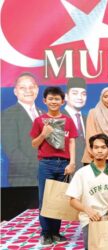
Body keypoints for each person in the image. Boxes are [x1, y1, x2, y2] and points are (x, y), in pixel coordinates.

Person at [30, 87, 77, 246]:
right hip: (46, 164)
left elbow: (71, 141)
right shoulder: (39, 121)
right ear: (45, 101)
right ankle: (45, 233)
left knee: (58, 199)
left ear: (62, 102)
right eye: (51, 99)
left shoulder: (68, 120)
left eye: (57, 99)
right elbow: (34, 143)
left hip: (64, 164)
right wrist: (43, 134)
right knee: (44, 199)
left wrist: (72, 162)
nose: (54, 101)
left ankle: (55, 232)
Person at [66, 133, 108, 249]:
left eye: (103, 147)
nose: (99, 151)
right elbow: (72, 200)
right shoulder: (82, 173)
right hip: (90, 217)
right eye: (96, 147)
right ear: (91, 150)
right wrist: (87, 210)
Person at [1, 72, 43, 186]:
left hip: (48, 178)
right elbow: (12, 151)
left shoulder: (44, 114)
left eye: (31, 87)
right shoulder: (7, 115)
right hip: (24, 179)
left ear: (37, 89)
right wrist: (39, 170)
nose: (28, 90)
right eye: (22, 88)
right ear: (15, 91)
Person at [82, 87, 108, 167]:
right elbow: (90, 135)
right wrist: (96, 152)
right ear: (101, 98)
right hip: (92, 156)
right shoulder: (93, 113)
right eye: (106, 96)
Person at [62, 77, 87, 171]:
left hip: (85, 169)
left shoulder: (87, 119)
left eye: (83, 94)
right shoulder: (59, 117)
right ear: (66, 96)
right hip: (65, 168)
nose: (80, 97)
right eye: (75, 93)